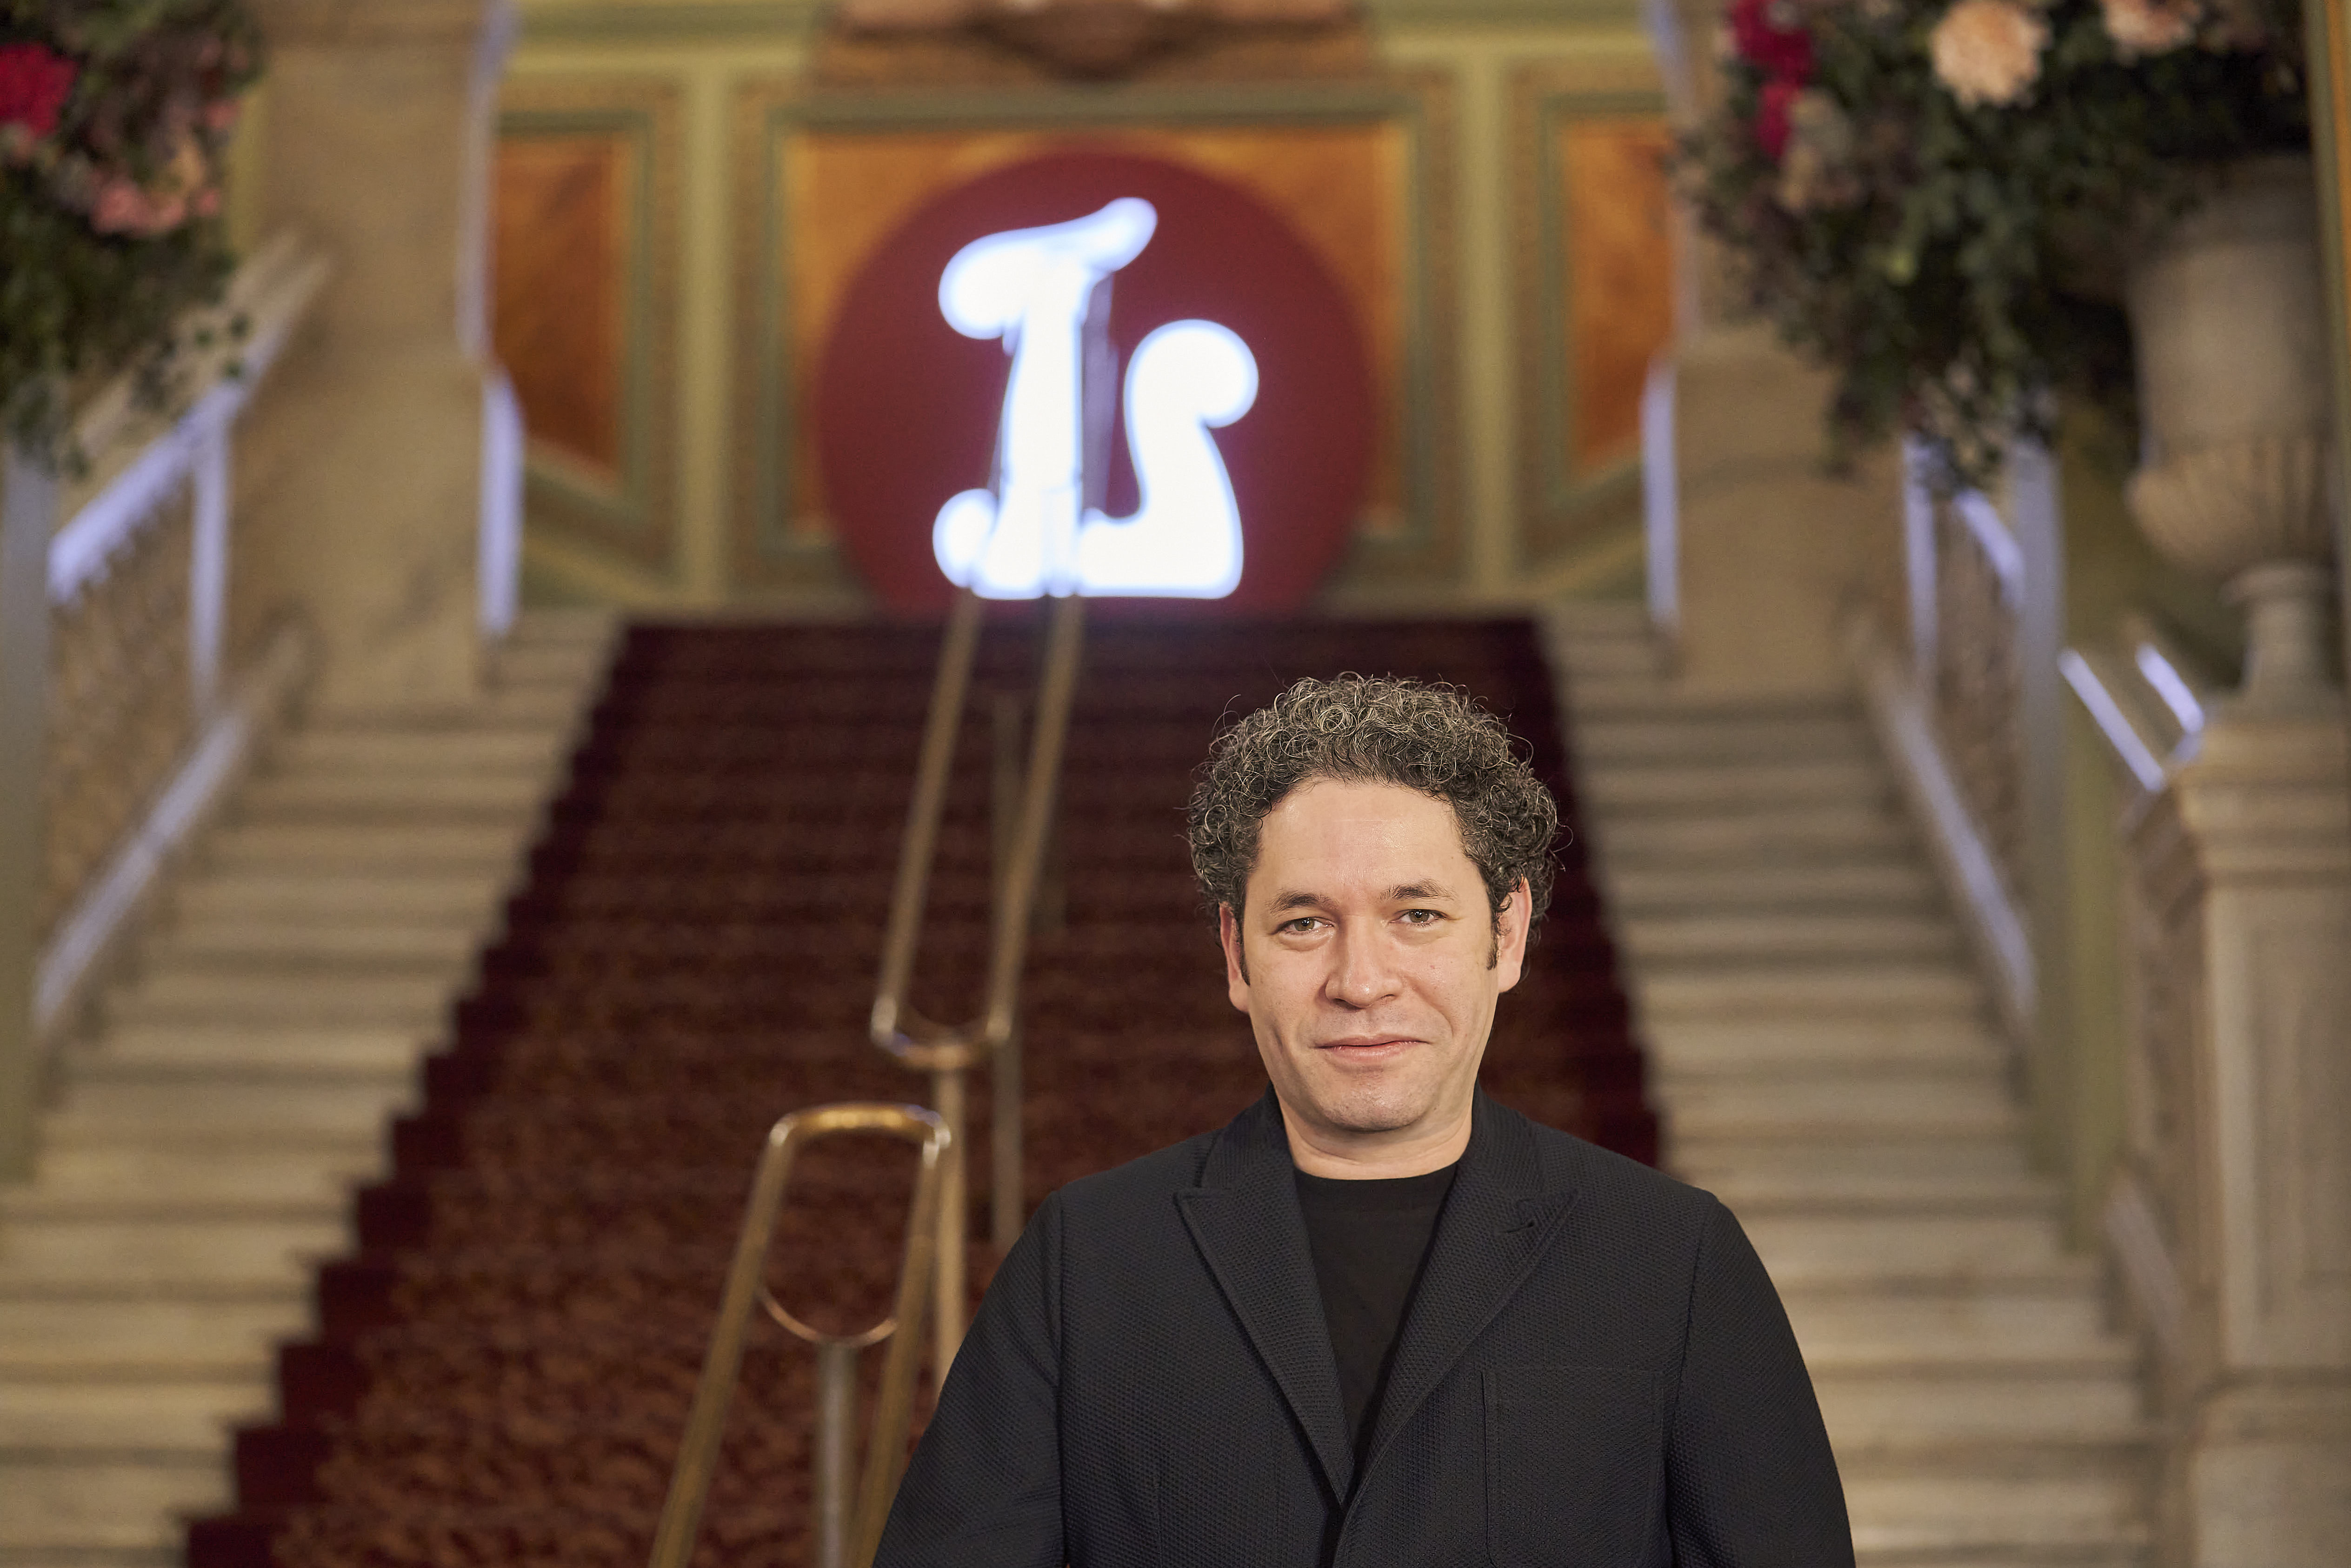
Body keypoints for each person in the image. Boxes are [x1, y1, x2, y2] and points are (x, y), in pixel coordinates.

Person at [874, 675, 1853, 1566]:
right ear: (1235, 954)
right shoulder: (1084, 1260)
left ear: (1505, 934)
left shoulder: (1673, 1259)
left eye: (1415, 915)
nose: (1359, 980)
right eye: (1303, 922)